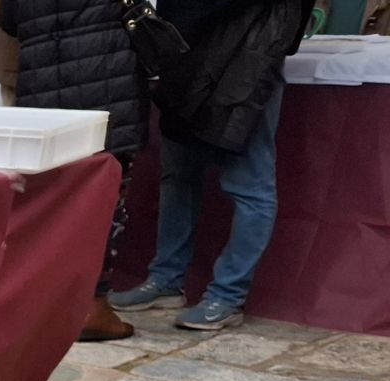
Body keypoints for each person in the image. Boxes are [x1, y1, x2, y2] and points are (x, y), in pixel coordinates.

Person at [110, 0, 313, 331]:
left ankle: (228, 296)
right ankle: (166, 279)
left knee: (249, 185)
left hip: (249, 59)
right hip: (189, 59)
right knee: (177, 177)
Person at [0, 0, 150, 341]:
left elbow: (9, 21)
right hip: (109, 80)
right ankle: (90, 307)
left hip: (43, 81)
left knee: (51, 200)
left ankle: (43, 302)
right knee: (107, 196)